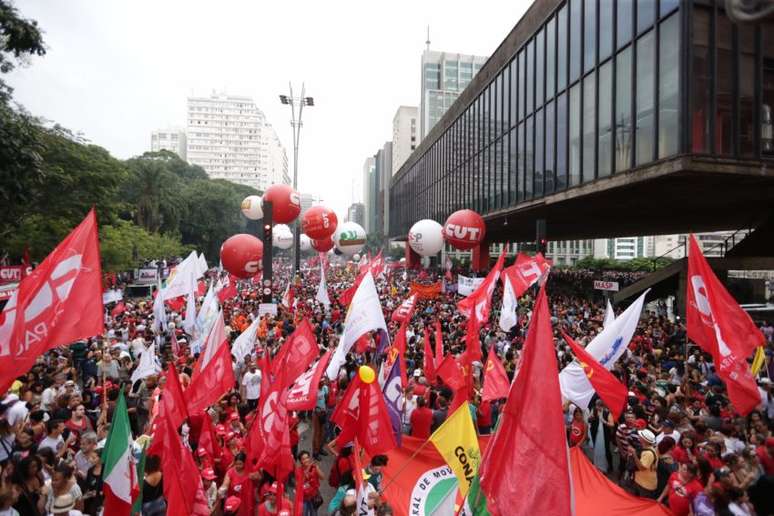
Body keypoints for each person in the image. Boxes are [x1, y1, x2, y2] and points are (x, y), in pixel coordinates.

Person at [631, 429, 658, 498]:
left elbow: (641, 468)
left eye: (640, 436)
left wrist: (634, 454)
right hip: (640, 481)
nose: (639, 436)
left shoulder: (649, 453)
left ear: (644, 440)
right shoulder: (646, 448)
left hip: (645, 485)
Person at [297, 451, 324, 515]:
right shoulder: (298, 471)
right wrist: (308, 468)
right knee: (304, 513)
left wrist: (317, 468)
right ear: (300, 461)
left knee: (314, 513)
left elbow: (322, 477)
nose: (306, 460)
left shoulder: (314, 468)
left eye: (307, 458)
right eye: (303, 459)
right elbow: (300, 483)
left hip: (314, 496)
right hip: (304, 498)